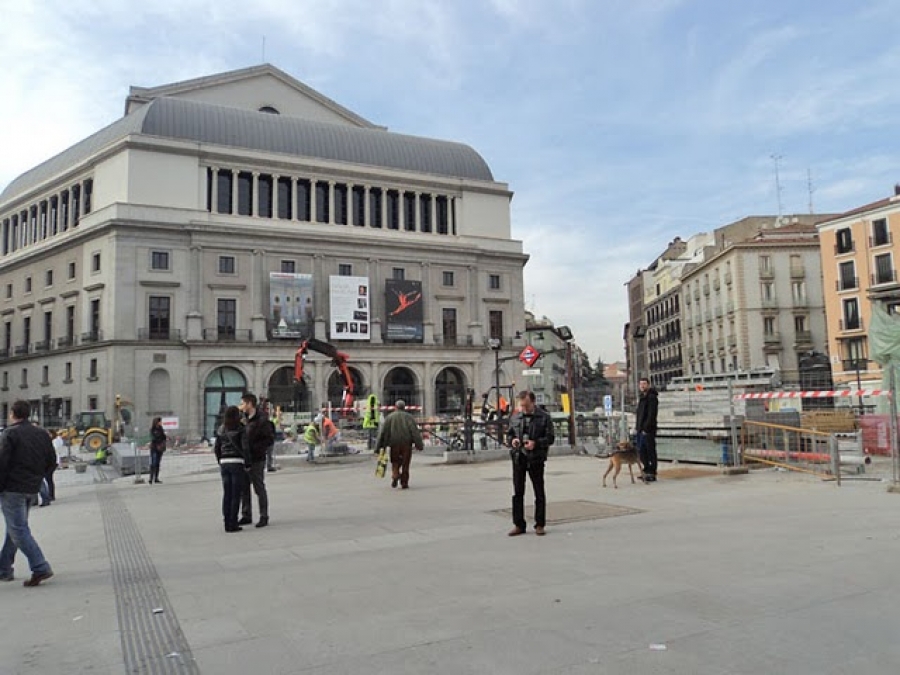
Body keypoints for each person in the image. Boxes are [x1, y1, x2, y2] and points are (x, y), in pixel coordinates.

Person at [0, 400, 57, 586]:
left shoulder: (9, 434)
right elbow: (52, 460)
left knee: (18, 530)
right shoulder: (41, 433)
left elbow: (2, 462)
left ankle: (40, 567)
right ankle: (4, 568)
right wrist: (38, 477)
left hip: (12, 488)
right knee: (15, 528)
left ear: (12, 414)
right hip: (31, 487)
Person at [505, 390, 555, 537]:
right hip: (518, 457)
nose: (524, 409)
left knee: (539, 492)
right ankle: (518, 524)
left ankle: (540, 524)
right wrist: (512, 441)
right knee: (517, 492)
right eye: (522, 406)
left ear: (533, 402)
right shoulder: (515, 417)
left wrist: (536, 443)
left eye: (526, 406)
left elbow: (550, 438)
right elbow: (509, 435)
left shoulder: (544, 417)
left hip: (536, 458)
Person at [214, 406, 251, 532]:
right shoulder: (240, 428)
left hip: (224, 462)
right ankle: (233, 522)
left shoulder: (221, 429)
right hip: (237, 462)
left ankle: (226, 522)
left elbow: (217, 447)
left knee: (227, 494)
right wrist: (248, 463)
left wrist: (220, 460)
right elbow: (245, 447)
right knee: (236, 494)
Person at [239, 393, 274, 528]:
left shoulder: (261, 420)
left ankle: (263, 515)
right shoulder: (243, 419)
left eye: (243, 403)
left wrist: (256, 448)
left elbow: (269, 439)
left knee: (259, 487)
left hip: (257, 458)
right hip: (244, 458)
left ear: (249, 404)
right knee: (244, 488)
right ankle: (246, 514)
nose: (241, 406)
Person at [375, 400, 423, 489]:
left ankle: (395, 475)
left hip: (394, 444)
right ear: (404, 407)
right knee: (405, 464)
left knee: (395, 462)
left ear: (395, 407)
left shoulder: (389, 417)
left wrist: (378, 447)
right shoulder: (409, 417)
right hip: (406, 444)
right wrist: (419, 445)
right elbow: (415, 432)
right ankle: (404, 483)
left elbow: (383, 433)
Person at [635, 377, 659, 482]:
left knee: (650, 450)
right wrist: (638, 428)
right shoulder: (642, 397)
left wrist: (646, 428)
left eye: (644, 384)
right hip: (640, 429)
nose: (642, 386)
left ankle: (652, 472)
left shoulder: (652, 397)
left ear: (648, 385)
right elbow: (639, 414)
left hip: (648, 430)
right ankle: (646, 470)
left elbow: (651, 415)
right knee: (642, 451)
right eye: (641, 384)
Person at [148, 417, 167, 484]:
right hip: (154, 448)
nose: (161, 423)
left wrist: (164, 436)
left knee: (157, 463)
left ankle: (156, 478)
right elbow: (153, 438)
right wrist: (160, 438)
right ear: (157, 422)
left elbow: (164, 437)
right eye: (160, 421)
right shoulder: (152, 429)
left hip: (160, 448)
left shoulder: (161, 429)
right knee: (153, 463)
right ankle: (151, 478)